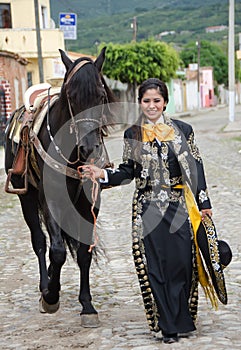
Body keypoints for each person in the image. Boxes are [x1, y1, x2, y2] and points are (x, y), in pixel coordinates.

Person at [81, 78, 213, 344]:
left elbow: (196, 169)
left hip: (178, 206)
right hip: (147, 208)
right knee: (156, 266)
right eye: (146, 101)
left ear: (165, 101)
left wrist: (204, 204)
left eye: (156, 100)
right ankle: (168, 326)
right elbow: (128, 171)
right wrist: (102, 174)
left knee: (181, 264)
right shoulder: (133, 133)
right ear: (140, 103)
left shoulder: (183, 131)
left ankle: (182, 318)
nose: (151, 106)